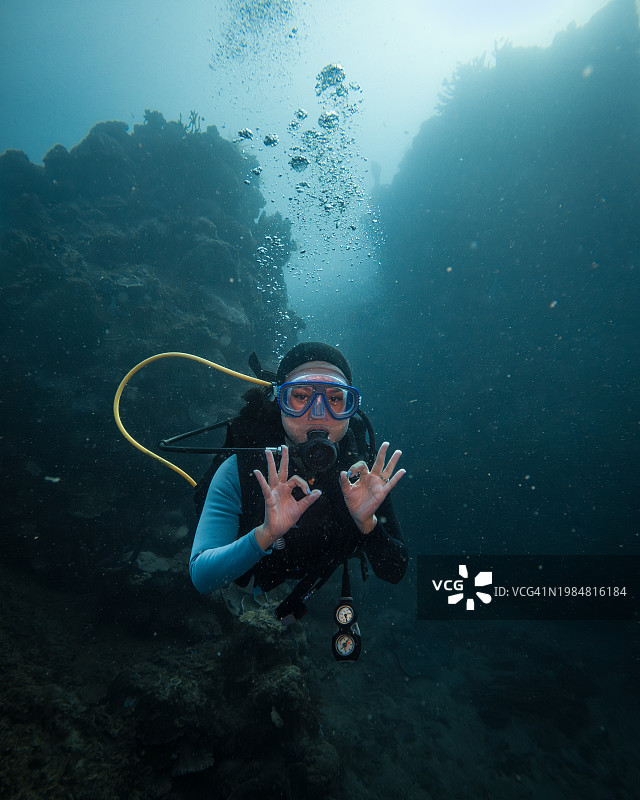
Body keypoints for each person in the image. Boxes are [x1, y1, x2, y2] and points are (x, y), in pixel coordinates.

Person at [189, 342, 408, 621]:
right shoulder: (243, 468)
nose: (319, 413)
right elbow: (202, 577)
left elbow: (394, 571)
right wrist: (265, 534)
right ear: (279, 401)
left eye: (335, 399)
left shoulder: (362, 473)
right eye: (301, 396)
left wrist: (369, 525)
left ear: (350, 408)